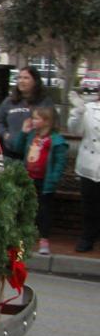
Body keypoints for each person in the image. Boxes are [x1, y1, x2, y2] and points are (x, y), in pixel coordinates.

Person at [16, 106, 68, 256]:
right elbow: (18, 148)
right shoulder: (32, 136)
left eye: (36, 118)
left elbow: (59, 162)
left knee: (44, 211)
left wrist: (54, 179)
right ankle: (23, 239)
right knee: (26, 209)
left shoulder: (56, 140)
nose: (33, 121)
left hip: (45, 182)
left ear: (47, 122)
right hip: (29, 178)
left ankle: (44, 239)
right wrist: (23, 132)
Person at [0, 67, 55, 159]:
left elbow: (51, 123)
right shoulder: (9, 101)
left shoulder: (44, 102)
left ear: (35, 81)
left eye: (26, 78)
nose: (21, 81)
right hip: (9, 152)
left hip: (34, 153)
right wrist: (5, 134)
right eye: (19, 78)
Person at [68, 91, 99, 253]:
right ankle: (87, 238)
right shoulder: (89, 108)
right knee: (89, 205)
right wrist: (78, 112)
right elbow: (75, 130)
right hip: (89, 165)